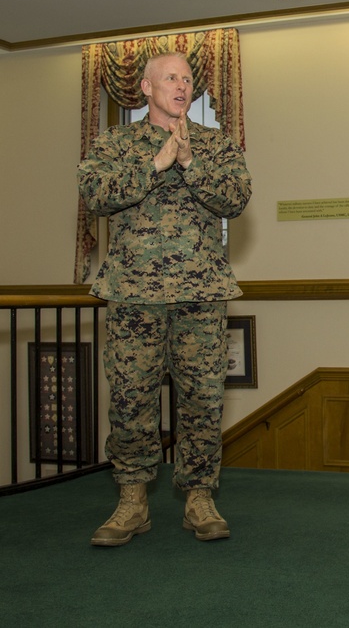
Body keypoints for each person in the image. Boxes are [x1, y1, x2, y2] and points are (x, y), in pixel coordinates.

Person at [78, 51, 252, 546]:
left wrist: (191, 161)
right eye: (170, 78)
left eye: (187, 78)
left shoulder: (215, 145)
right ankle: (132, 501)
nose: (181, 85)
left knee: (203, 398)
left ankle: (200, 498)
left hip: (201, 290)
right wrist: (156, 163)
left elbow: (236, 199)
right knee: (131, 398)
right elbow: (95, 194)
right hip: (133, 293)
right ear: (147, 89)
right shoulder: (116, 142)